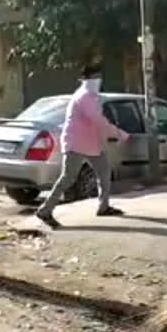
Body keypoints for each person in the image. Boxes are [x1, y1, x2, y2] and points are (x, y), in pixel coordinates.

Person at [36, 69, 130, 229]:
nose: (98, 80)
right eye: (95, 77)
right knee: (68, 178)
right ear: (86, 79)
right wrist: (117, 132)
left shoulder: (90, 96)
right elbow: (97, 119)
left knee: (104, 172)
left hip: (91, 144)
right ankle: (45, 210)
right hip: (76, 144)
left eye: (100, 76)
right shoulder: (85, 96)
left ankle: (104, 206)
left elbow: (96, 122)